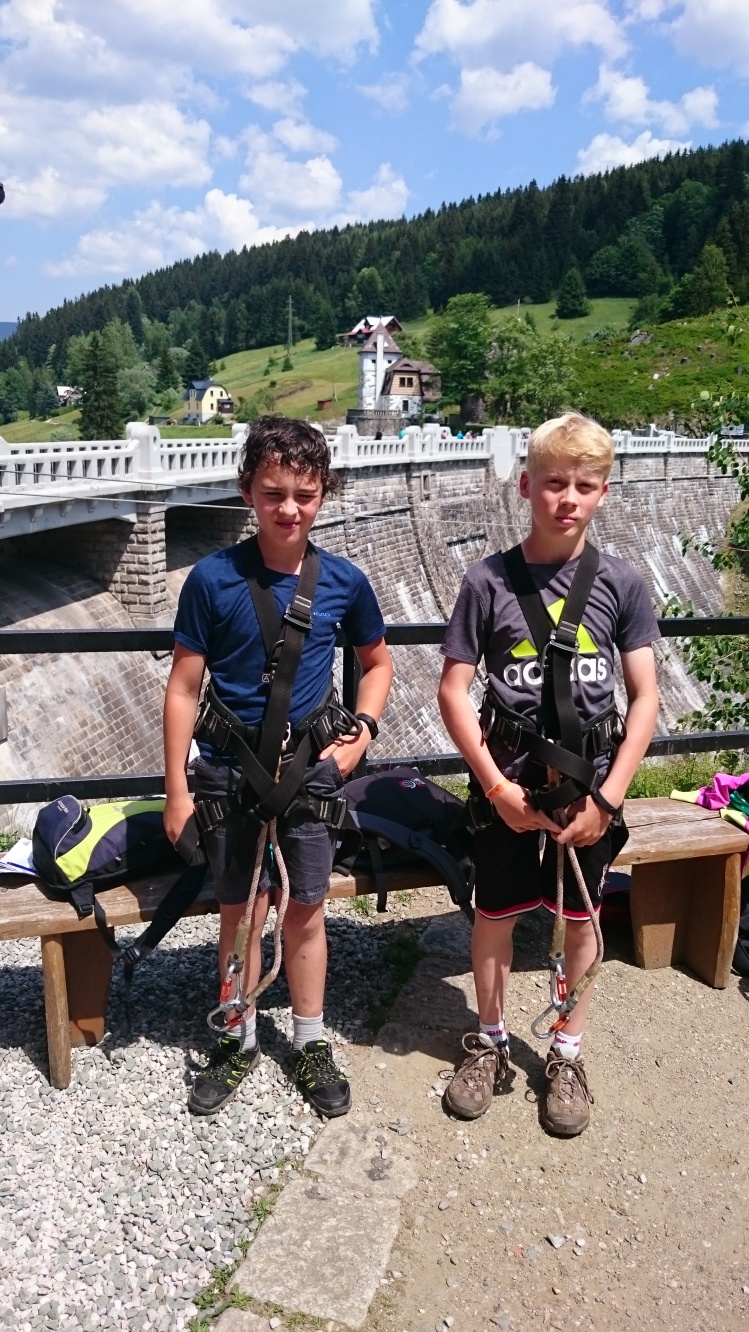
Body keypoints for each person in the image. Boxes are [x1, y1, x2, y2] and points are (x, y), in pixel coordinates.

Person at [437, 412, 659, 1136]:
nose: (567, 498)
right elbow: (453, 691)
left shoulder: (621, 583)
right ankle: (491, 1041)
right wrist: (496, 789)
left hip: (588, 787)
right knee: (494, 914)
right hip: (509, 782)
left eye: (584, 486)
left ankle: (565, 1052)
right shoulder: (487, 581)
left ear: (603, 493)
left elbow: (644, 697)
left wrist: (609, 798)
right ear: (525, 486)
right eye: (554, 483)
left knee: (580, 919)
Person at [164, 416, 393, 1118]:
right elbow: (182, 688)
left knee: (305, 909)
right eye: (273, 494)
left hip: (308, 775)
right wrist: (175, 790)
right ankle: (236, 1036)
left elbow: (376, 664)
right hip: (229, 774)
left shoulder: (344, 582)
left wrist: (361, 734)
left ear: (323, 494)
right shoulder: (211, 580)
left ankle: (309, 1039)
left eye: (304, 494)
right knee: (240, 911)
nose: (288, 509)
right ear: (246, 493)